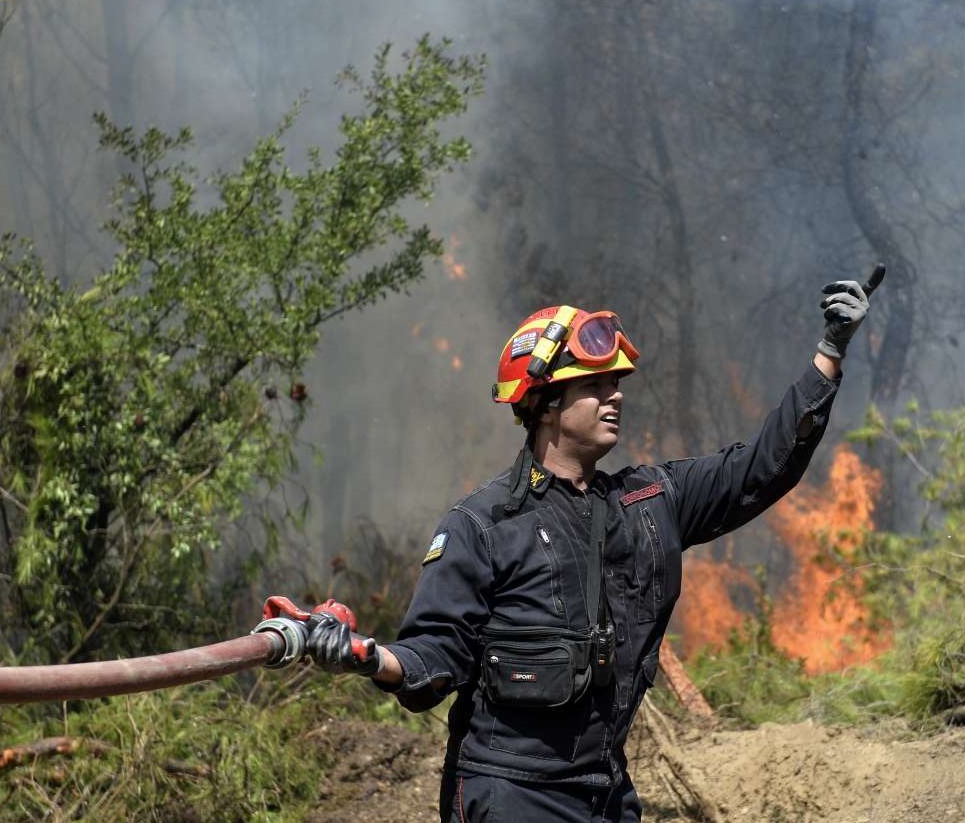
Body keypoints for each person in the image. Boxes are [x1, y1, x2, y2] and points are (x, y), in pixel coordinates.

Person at [306, 276, 876, 822]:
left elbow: (762, 468)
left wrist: (829, 352)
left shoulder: (650, 501)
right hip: (508, 795)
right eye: (595, 386)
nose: (615, 397)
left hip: (606, 793)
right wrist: (362, 655)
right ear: (547, 403)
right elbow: (434, 658)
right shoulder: (482, 525)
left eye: (617, 384)